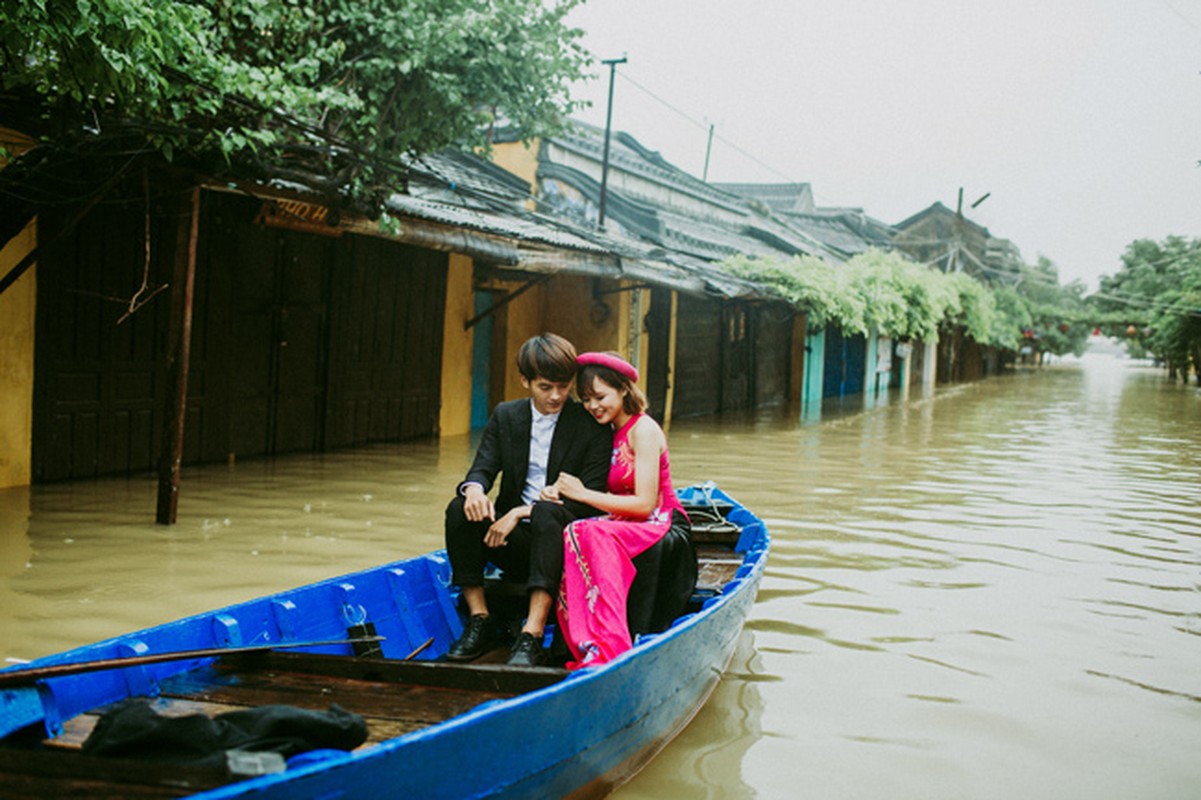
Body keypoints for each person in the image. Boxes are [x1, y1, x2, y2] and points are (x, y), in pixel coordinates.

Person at [444, 333, 611, 666]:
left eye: (564, 387)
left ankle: (531, 634)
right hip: (516, 545)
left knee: (548, 512)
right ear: (525, 381)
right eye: (546, 387)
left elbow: (592, 502)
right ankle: (480, 618)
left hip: (565, 545)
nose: (557, 396)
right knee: (460, 508)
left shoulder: (589, 424)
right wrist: (475, 489)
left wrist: (521, 512)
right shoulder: (507, 415)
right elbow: (483, 468)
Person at [547, 351, 690, 669]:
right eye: (586, 400)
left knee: (590, 530)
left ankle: (610, 644)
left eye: (600, 396)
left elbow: (645, 503)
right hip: (624, 521)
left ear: (623, 389)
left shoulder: (644, 430)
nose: (593, 406)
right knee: (573, 530)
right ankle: (583, 641)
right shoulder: (606, 433)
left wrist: (583, 494)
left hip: (662, 520)